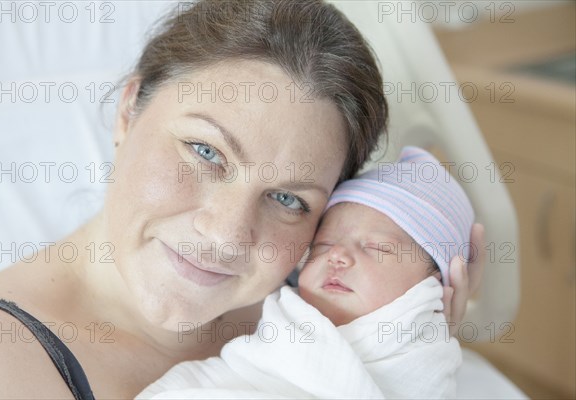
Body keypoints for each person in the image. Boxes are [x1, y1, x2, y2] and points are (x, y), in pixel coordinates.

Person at [0, 1, 484, 399]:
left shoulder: (327, 301)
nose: (226, 234)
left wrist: (401, 351)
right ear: (128, 112)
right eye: (205, 151)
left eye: (287, 198)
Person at [136, 146, 473, 399]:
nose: (338, 256)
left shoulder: (422, 358)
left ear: (432, 284)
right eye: (323, 246)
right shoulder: (280, 318)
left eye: (375, 248)